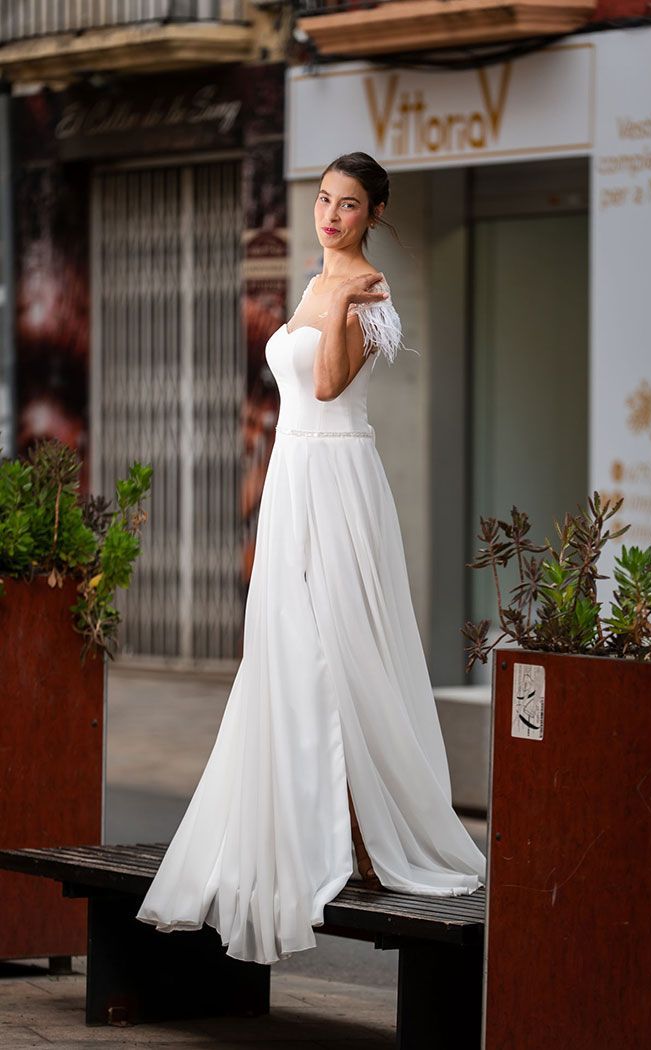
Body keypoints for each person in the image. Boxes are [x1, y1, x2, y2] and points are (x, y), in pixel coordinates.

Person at [136, 151, 486, 965]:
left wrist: (333, 305)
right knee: (285, 649)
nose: (330, 214)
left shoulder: (369, 293)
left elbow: (326, 386)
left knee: (335, 646)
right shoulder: (317, 281)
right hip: (294, 473)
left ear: (376, 213)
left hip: (337, 476)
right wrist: (319, 297)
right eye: (325, 199)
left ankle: (357, 836)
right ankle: (303, 824)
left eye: (349, 204)